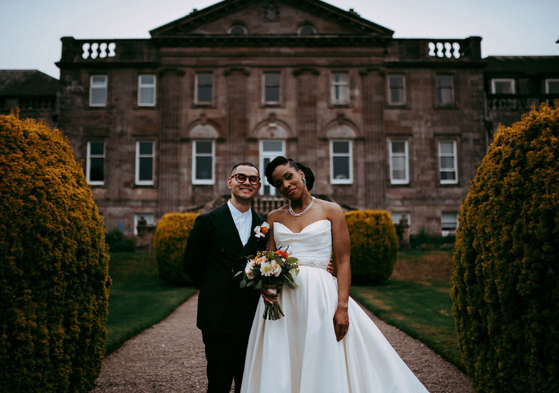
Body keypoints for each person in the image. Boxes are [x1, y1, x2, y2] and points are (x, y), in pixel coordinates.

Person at [240, 157, 430, 393]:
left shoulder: (331, 210)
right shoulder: (274, 218)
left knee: (322, 353)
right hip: (283, 301)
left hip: (321, 297)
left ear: (301, 174)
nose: (286, 185)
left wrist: (342, 306)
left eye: (288, 176)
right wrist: (265, 285)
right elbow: (268, 259)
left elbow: (343, 260)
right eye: (279, 183)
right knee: (282, 356)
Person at [183, 162, 267, 393]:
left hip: (251, 315)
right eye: (241, 177)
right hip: (218, 315)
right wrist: (216, 288)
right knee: (218, 381)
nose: (246, 182)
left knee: (247, 381)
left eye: (252, 179)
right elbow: (191, 265)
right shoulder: (207, 221)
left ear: (258, 186)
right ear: (229, 182)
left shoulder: (264, 225)